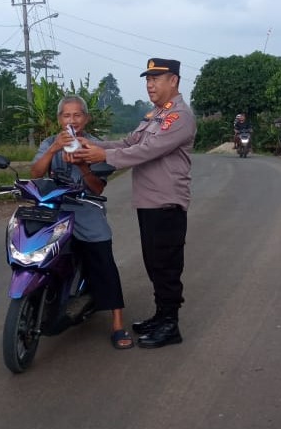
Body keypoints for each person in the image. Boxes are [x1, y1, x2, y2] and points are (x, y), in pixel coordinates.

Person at [74, 58, 197, 349]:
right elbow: (129, 143)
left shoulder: (179, 117)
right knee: (154, 264)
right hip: (149, 202)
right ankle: (160, 316)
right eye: (147, 79)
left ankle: (171, 325)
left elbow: (147, 150)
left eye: (156, 79)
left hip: (167, 203)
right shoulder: (155, 115)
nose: (150, 84)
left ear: (174, 81)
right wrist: (93, 147)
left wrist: (103, 158)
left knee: (166, 266)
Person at [29, 95, 133, 350]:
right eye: (67, 115)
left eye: (77, 115)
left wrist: (84, 165)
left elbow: (97, 189)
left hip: (87, 209)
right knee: (36, 253)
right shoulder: (49, 143)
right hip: (56, 209)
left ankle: (118, 324)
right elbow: (35, 174)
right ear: (59, 119)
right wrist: (54, 149)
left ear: (85, 119)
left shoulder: (95, 146)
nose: (72, 120)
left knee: (103, 257)